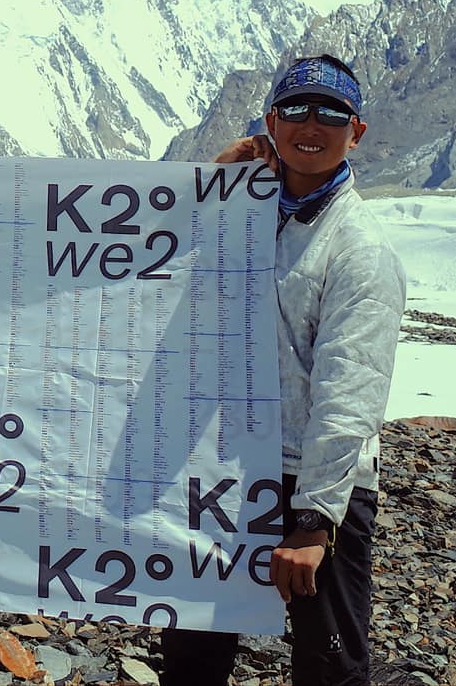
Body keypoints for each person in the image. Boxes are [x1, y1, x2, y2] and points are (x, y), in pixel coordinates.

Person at [162, 54, 406, 686]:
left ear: (357, 131)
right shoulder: (244, 213)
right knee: (195, 647)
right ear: (270, 120)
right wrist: (207, 189)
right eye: (296, 108)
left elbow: (351, 391)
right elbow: (150, 271)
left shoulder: (360, 250)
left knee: (328, 661)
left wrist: (314, 520)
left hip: (315, 482)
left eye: (332, 113)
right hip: (227, 465)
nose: (312, 124)